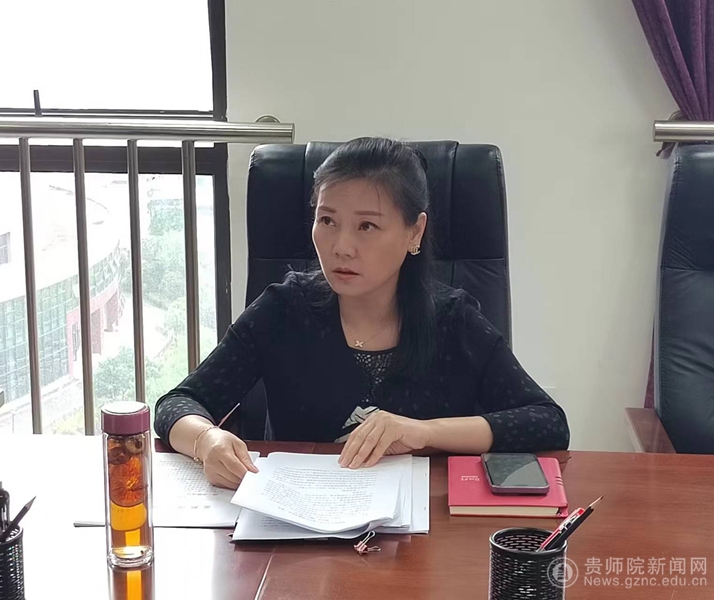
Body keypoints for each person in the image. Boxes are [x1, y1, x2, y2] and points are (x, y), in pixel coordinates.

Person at [154, 137, 570, 489]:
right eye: (327, 221)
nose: (341, 247)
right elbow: (179, 403)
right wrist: (206, 441)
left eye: (366, 226)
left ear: (414, 232)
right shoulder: (284, 309)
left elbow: (547, 422)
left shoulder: (452, 320)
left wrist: (423, 432)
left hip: (421, 539)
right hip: (298, 531)